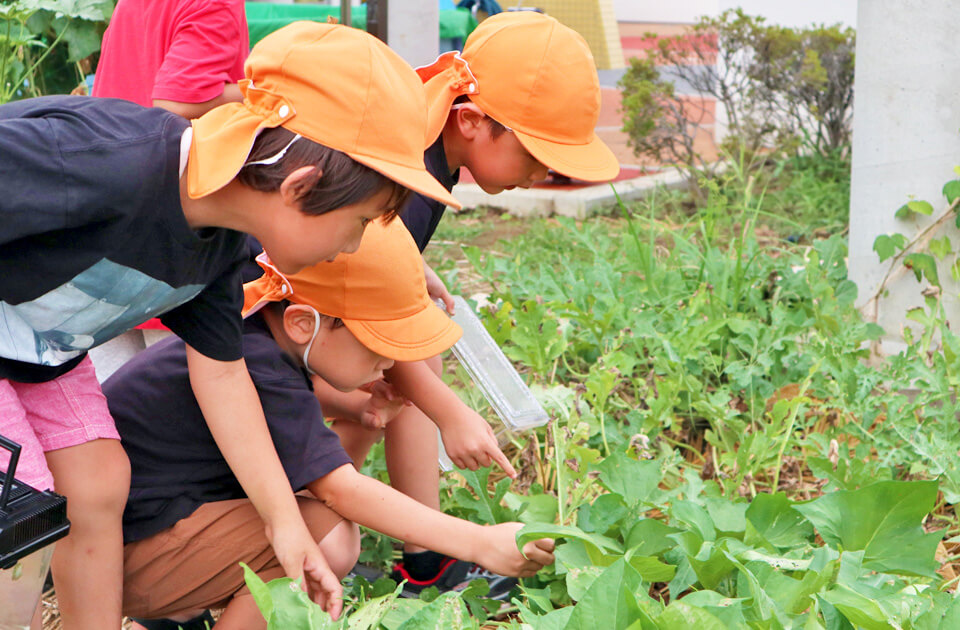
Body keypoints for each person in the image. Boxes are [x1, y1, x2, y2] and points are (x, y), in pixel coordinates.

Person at [0, 21, 459, 630]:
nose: (352, 244)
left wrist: (283, 521)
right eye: (359, 221)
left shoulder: (222, 248)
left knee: (99, 479)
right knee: (19, 496)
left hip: (35, 349)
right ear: (301, 186)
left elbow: (223, 377)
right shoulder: (101, 164)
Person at [102, 218, 556, 628]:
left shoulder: (251, 334)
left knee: (305, 518)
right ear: (303, 323)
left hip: (135, 531)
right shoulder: (262, 363)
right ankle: (177, 612)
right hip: (123, 559)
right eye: (379, 345)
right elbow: (341, 489)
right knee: (328, 540)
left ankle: (176, 616)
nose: (392, 361)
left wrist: (355, 407)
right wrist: (478, 542)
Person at [319, 11, 621, 595]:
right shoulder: (409, 162)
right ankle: (310, 522)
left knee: (411, 363)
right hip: (269, 331)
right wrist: (450, 414)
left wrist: (412, 265)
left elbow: (369, 253)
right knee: (392, 383)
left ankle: (423, 555)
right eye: (533, 156)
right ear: (474, 121)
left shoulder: (429, 138)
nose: (537, 175)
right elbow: (362, 308)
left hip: (303, 319)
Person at [93, 0, 248, 117]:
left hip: (105, 140)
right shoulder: (214, 3)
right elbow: (177, 103)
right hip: (153, 152)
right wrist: (262, 91)